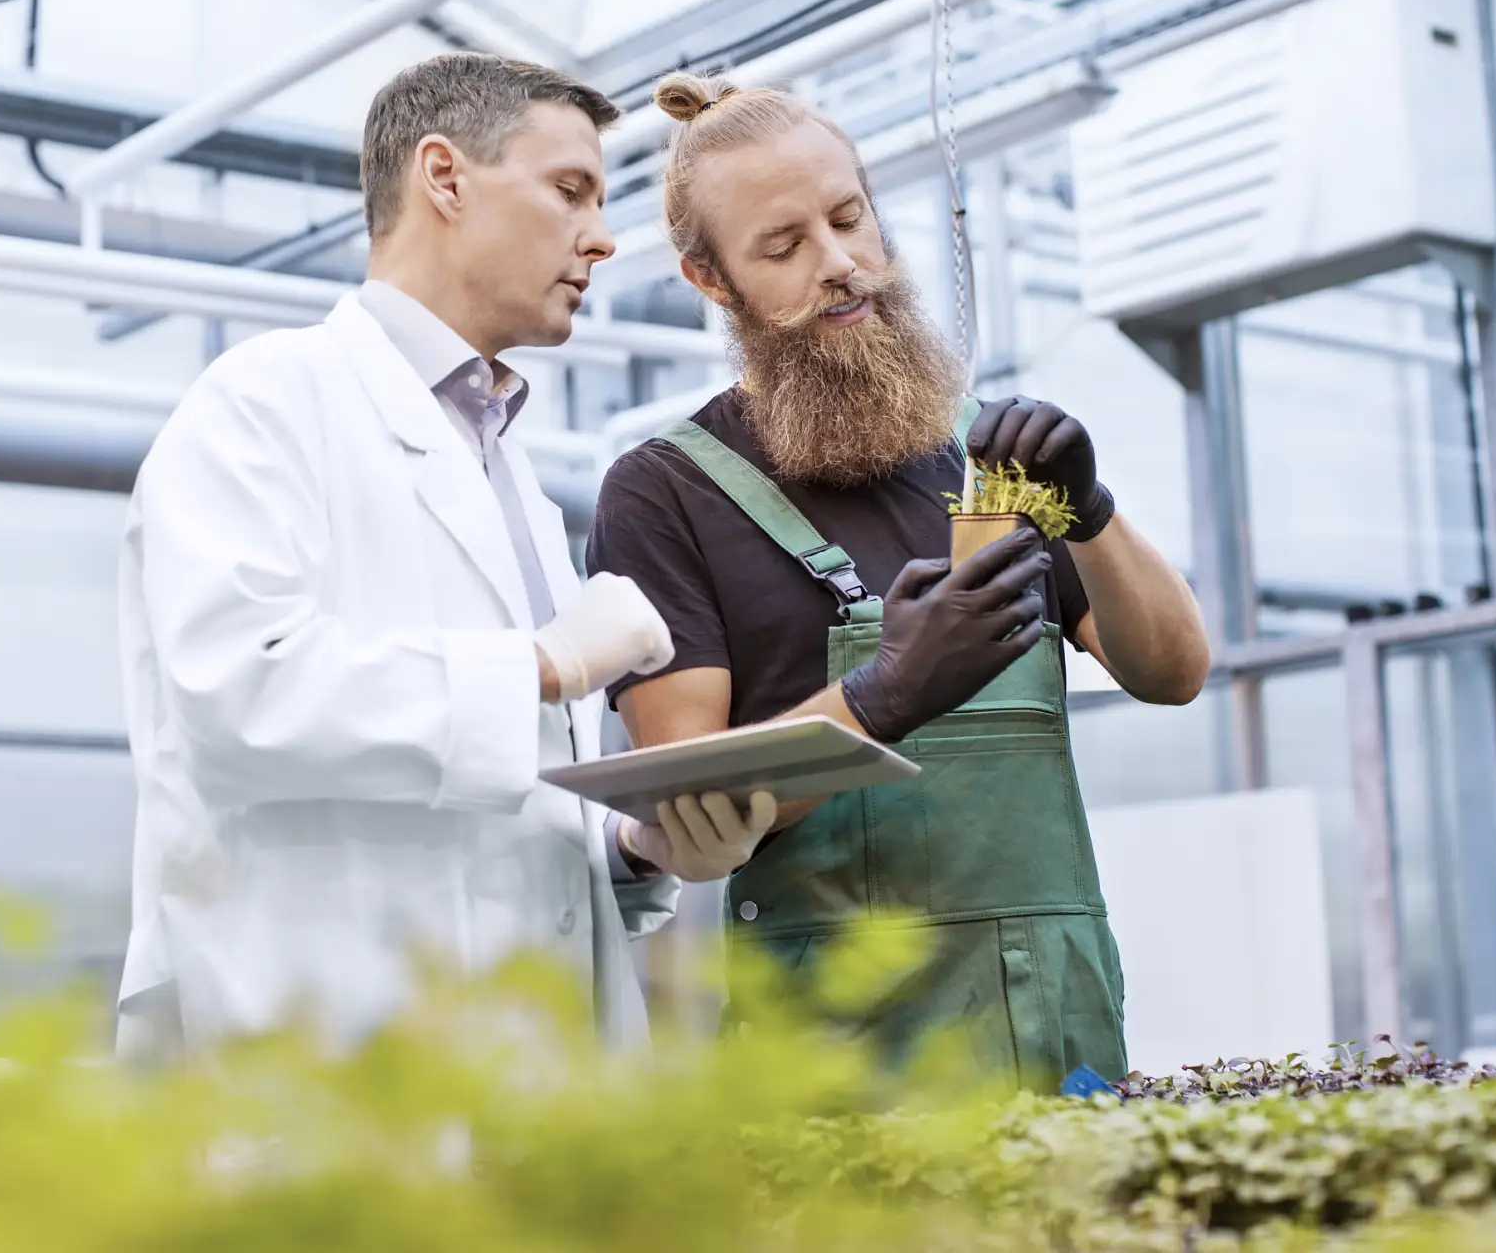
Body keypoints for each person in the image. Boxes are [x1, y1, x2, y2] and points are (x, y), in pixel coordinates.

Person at [115, 54, 777, 1063]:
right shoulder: (263, 402)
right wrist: (545, 668)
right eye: (570, 191)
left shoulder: (499, 463)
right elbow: (236, 696)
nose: (601, 237)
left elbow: (503, 812)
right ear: (445, 176)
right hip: (322, 1067)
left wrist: (637, 852)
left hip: (521, 1080)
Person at [586, 72, 1213, 1088]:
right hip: (831, 1044)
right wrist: (880, 700)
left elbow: (1174, 670)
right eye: (782, 247)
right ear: (711, 280)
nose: (839, 265)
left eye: (848, 218)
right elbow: (688, 800)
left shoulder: (989, 462)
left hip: (1049, 1014)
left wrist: (1086, 513)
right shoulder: (666, 494)